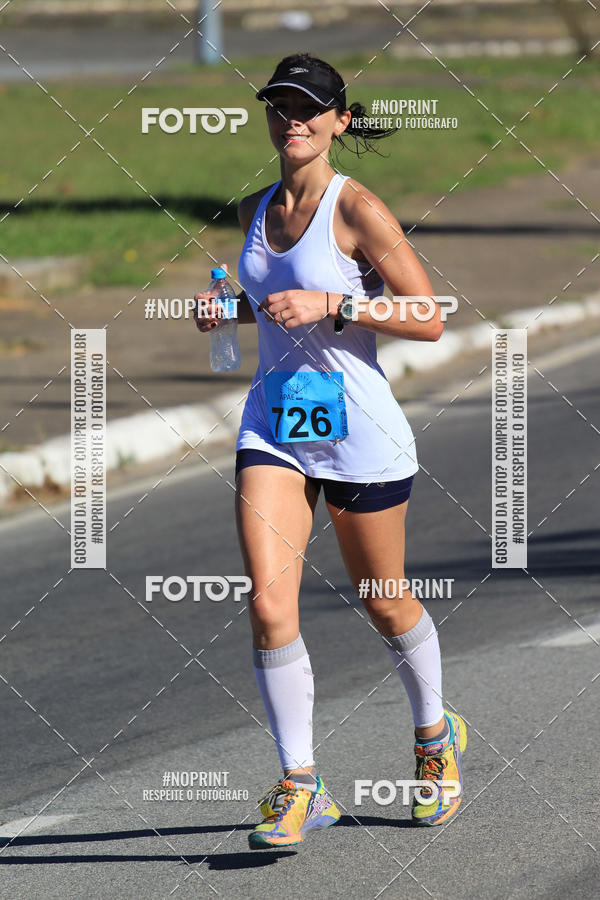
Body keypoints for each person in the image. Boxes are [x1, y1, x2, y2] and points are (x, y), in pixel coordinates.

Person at [194, 53, 466, 849]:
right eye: (280, 105)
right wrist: (229, 310)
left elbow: (429, 313)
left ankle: (433, 739)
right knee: (269, 600)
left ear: (340, 121)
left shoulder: (358, 209)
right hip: (275, 425)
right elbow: (266, 297)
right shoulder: (258, 204)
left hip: (358, 431)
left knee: (383, 597)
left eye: (310, 107)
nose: (293, 120)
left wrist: (336, 301)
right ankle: (302, 784)